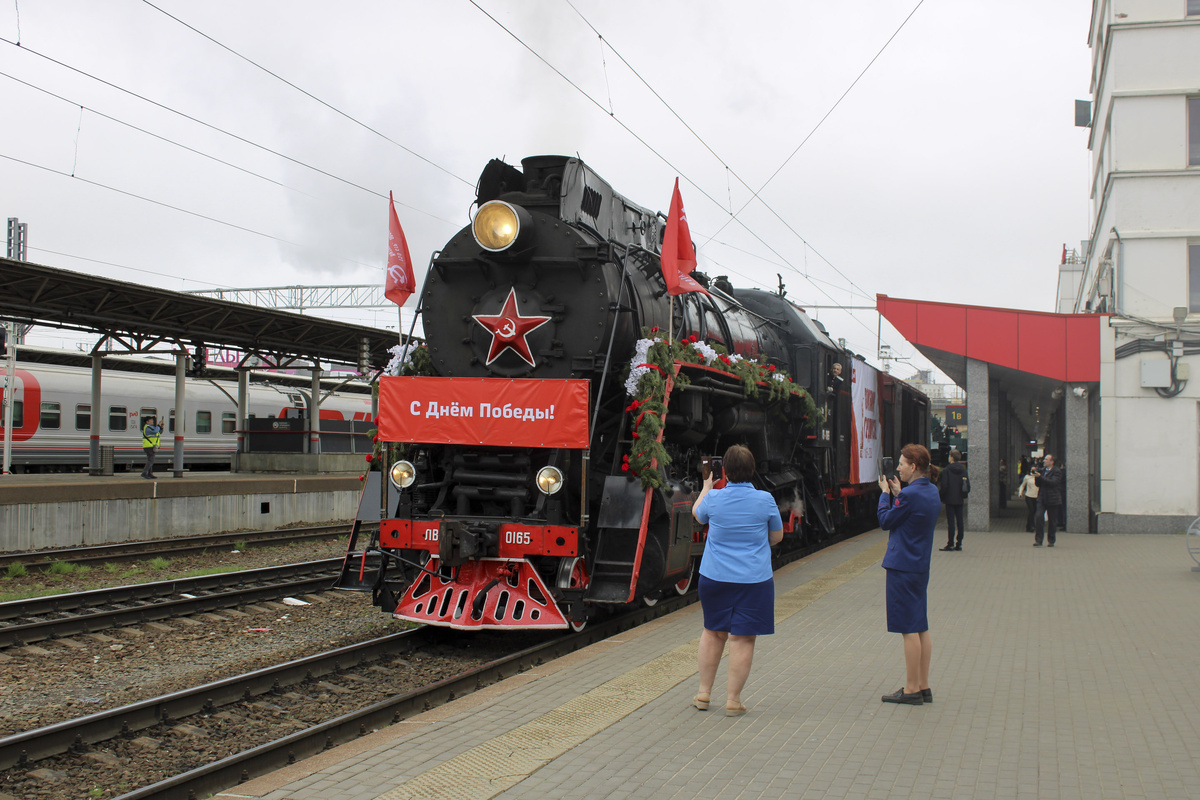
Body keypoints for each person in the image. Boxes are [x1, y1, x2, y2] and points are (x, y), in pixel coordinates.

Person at [691, 444, 784, 717]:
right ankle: (733, 700)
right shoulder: (765, 500)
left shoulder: (715, 498)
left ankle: (703, 694)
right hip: (753, 580)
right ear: (752, 470)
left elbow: (697, 514)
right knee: (742, 639)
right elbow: (777, 537)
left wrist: (707, 486)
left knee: (712, 632)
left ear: (726, 472)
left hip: (714, 577)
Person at [876, 444, 941, 705]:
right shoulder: (931, 491)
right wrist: (900, 494)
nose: (899, 468)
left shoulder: (909, 496)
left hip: (902, 566)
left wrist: (885, 495)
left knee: (908, 630)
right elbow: (913, 514)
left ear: (914, 467)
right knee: (920, 625)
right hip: (919, 565)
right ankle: (924, 685)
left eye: (902, 464)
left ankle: (911, 688)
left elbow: (885, 521)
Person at [936, 449, 967, 551]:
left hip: (949, 499)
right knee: (960, 521)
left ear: (952, 458)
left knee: (951, 522)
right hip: (959, 499)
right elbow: (967, 485)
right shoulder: (963, 470)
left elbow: (944, 485)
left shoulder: (947, 470)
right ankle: (959, 543)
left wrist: (941, 495)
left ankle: (950, 543)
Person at [1033, 453, 1063, 546]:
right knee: (1039, 517)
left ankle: (1051, 540)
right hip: (1042, 498)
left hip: (1053, 499)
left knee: (1052, 521)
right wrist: (1037, 477)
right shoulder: (1042, 470)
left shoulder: (1056, 471)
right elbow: (1038, 484)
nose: (1044, 461)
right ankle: (1038, 540)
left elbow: (1053, 482)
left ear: (1051, 462)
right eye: (1044, 459)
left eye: (1046, 459)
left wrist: (1040, 477)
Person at [1018, 464, 1040, 533]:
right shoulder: (1027, 477)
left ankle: (1028, 525)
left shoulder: (1039, 477)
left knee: (1034, 511)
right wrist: (1020, 493)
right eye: (1032, 470)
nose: (1034, 471)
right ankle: (1032, 526)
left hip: (1037, 496)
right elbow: (1022, 485)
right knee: (1031, 510)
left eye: (1035, 470)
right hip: (1029, 496)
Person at [140, 415, 163, 479]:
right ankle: (144, 473)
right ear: (147, 421)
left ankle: (149, 473)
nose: (152, 421)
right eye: (151, 420)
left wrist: (161, 427)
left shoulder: (151, 427)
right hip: (148, 446)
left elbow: (158, 432)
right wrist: (158, 425)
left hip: (151, 446)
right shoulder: (147, 428)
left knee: (150, 460)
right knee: (151, 460)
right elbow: (155, 431)